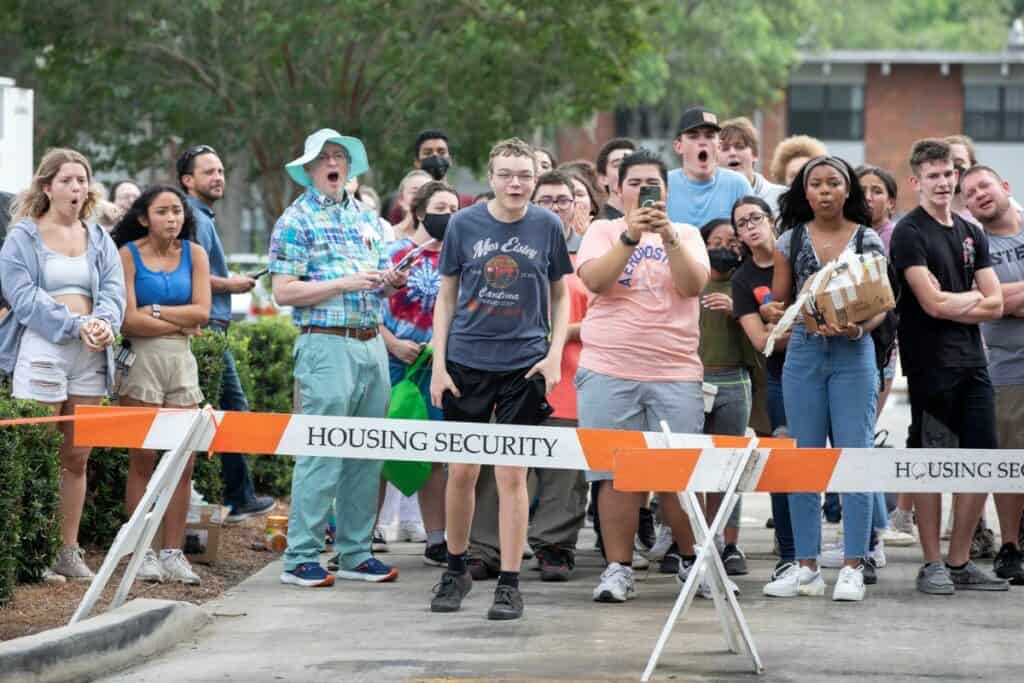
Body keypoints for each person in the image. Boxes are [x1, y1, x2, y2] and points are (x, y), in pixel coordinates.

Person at [428, 138, 572, 620]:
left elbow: (561, 295)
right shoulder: (464, 224)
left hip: (524, 365)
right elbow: (445, 297)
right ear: (490, 177)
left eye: (525, 175)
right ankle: (455, 569)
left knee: (512, 474)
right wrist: (439, 364)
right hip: (467, 361)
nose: (516, 183)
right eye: (507, 174)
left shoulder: (548, 225)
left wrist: (553, 355)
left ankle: (509, 583)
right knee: (463, 472)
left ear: (535, 178)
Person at [270, 128, 409, 588]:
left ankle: (354, 552)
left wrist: (390, 282)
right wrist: (345, 283)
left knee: (366, 452)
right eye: (324, 158)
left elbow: (377, 283)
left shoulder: (369, 219)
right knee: (321, 448)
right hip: (324, 342)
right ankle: (301, 556)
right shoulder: (295, 220)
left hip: (370, 341)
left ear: (349, 168)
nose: (333, 163)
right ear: (309, 171)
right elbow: (283, 291)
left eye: (340, 157)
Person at [574, 149, 710, 603]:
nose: (643, 191)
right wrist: (630, 237)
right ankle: (617, 568)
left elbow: (693, 285)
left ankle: (694, 563)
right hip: (609, 368)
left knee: (680, 475)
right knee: (614, 476)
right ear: (617, 188)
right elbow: (594, 280)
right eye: (635, 183)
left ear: (666, 192)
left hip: (675, 372)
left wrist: (668, 236)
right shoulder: (601, 230)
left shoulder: (687, 232)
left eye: (653, 184)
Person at [764, 156, 887, 602]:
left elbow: (880, 303)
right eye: (815, 184)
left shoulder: (868, 238)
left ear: (848, 189)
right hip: (804, 352)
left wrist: (858, 327)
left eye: (834, 183)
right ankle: (806, 567)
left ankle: (854, 564)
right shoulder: (790, 238)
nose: (824, 191)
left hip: (854, 352)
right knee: (804, 460)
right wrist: (769, 310)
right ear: (805, 192)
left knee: (854, 456)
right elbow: (777, 300)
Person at [889, 138, 1009, 595]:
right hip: (929, 366)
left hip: (974, 364)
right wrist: (972, 299)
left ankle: (959, 562)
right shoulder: (909, 233)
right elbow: (931, 304)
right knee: (930, 463)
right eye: (934, 175)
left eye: (949, 173)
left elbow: (996, 304)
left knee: (981, 460)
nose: (943, 182)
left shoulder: (971, 231)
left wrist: (963, 301)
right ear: (917, 181)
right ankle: (932, 563)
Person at [0, 148, 125, 581]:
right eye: (68, 180)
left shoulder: (99, 236)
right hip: (43, 347)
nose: (77, 188)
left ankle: (66, 551)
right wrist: (76, 324)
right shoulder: (23, 236)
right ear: (47, 186)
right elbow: (22, 297)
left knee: (77, 456)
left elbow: (113, 288)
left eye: (82, 180)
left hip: (90, 354)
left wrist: (106, 324)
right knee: (36, 451)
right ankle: (27, 553)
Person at [113, 185, 210, 585]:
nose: (173, 219)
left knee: (183, 462)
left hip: (181, 362)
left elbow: (203, 311)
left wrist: (157, 311)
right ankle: (142, 550)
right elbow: (127, 319)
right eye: (163, 211)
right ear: (143, 218)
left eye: (177, 211)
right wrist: (178, 319)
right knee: (142, 459)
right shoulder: (128, 254)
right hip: (141, 360)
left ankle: (173, 552)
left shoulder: (196, 254)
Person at [176, 144, 275, 523]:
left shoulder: (203, 216)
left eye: (220, 171)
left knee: (227, 412)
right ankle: (234, 498)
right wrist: (232, 286)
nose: (217, 178)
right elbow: (192, 275)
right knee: (229, 413)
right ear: (188, 180)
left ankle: (233, 496)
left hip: (212, 327)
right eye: (208, 172)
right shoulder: (195, 218)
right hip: (207, 329)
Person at [380, 180, 460, 568]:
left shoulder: (460, 258)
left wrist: (440, 351)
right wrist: (393, 343)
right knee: (379, 448)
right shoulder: (396, 252)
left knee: (437, 455)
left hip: (437, 367)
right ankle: (368, 533)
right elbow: (368, 309)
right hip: (394, 361)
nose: (449, 216)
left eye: (455, 208)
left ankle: (437, 539)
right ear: (422, 211)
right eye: (442, 208)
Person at [961, 164, 1024, 584]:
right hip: (1005, 366)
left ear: (1004, 187)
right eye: (969, 193)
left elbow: (998, 298)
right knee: (1009, 461)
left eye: (984, 185)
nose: (979, 194)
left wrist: (1003, 296)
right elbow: (983, 301)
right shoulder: (971, 246)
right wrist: (999, 299)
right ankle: (1010, 547)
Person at [729, 196, 795, 578]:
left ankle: (865, 550)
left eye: (756, 218)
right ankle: (789, 553)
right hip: (778, 377)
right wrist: (799, 326)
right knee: (783, 466)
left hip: (823, 369)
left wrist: (783, 325)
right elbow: (761, 342)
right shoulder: (743, 279)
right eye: (742, 223)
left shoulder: (797, 255)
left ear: (772, 221)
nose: (750, 226)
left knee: (844, 455)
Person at [528, 170, 589, 581]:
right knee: (501, 464)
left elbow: (607, 317)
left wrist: (559, 333)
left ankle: (554, 546)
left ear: (575, 207)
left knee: (565, 470)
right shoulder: (510, 247)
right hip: (511, 372)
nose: (554, 208)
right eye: (545, 200)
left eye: (561, 201)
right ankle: (486, 548)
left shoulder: (592, 256)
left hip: (570, 376)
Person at [694, 217, 753, 577]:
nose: (725, 247)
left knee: (729, 468)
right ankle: (692, 539)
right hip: (693, 381)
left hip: (735, 380)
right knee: (693, 467)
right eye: (716, 240)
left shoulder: (743, 285)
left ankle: (729, 542)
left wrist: (738, 311)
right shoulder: (690, 282)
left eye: (733, 242)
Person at [665, 106, 753, 228]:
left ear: (719, 146)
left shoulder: (738, 185)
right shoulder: (663, 184)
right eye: (693, 136)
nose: (702, 142)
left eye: (709, 136)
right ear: (678, 146)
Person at [719, 117, 787, 211]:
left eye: (740, 147)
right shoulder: (708, 199)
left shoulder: (781, 198)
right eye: (725, 148)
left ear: (755, 154)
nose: (732, 153)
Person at [594, 137, 637, 220]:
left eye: (631, 163)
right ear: (603, 179)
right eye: (617, 165)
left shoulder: (650, 217)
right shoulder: (597, 221)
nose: (626, 169)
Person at [391, 170, 432, 240]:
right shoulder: (387, 236)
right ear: (401, 200)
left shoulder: (438, 239)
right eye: (415, 192)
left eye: (428, 192)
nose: (422, 196)